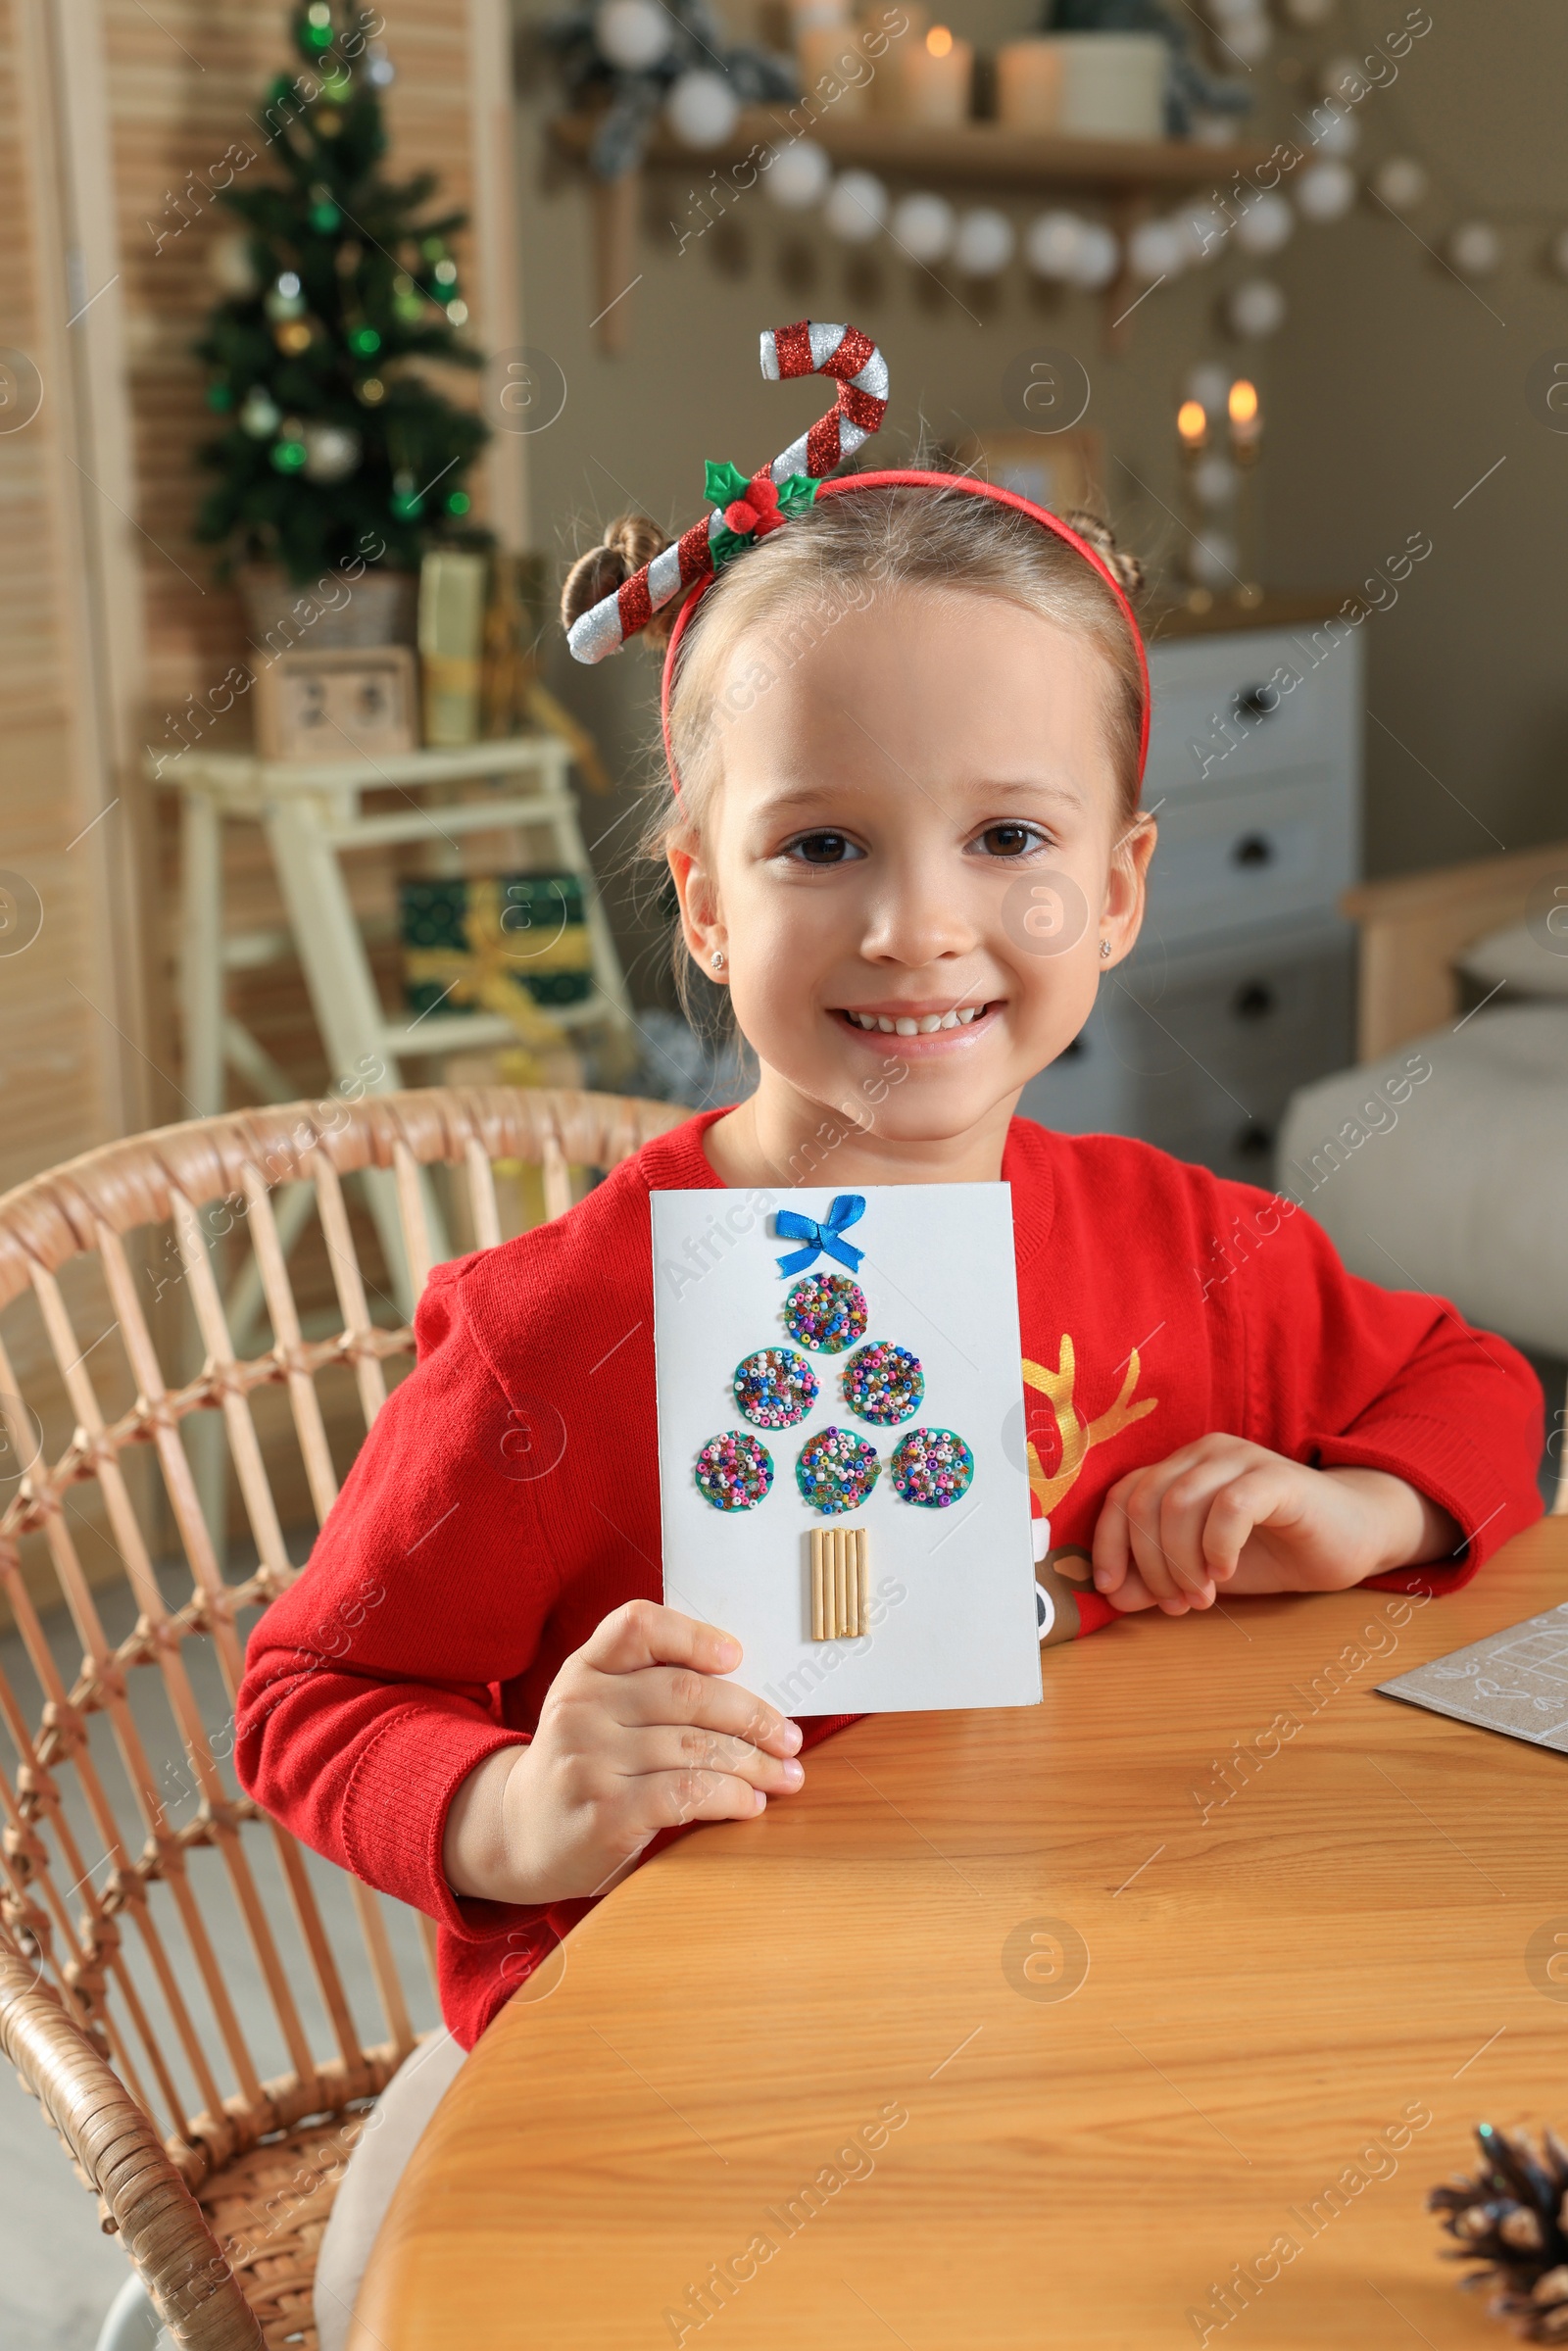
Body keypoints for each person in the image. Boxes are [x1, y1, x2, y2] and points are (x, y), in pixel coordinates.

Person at [235, 376, 1542, 2342]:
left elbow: (1477, 1389)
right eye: (819, 842)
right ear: (698, 895)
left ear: (1111, 890)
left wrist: (1346, 1506)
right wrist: (519, 1813)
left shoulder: (1202, 1249)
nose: (917, 924)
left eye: (1006, 835)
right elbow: (311, 1693)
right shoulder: (554, 1332)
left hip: (1091, 2028)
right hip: (678, 2076)